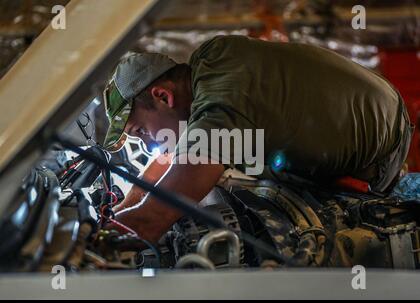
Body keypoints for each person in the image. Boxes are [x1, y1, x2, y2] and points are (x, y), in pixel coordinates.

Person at [102, 35, 413, 243]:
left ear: (162, 96)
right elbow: (173, 155)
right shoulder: (212, 59)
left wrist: (98, 240)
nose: (145, 142)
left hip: (380, 145)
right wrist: (121, 208)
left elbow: (154, 218)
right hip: (380, 109)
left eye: (140, 131)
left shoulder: (224, 102)